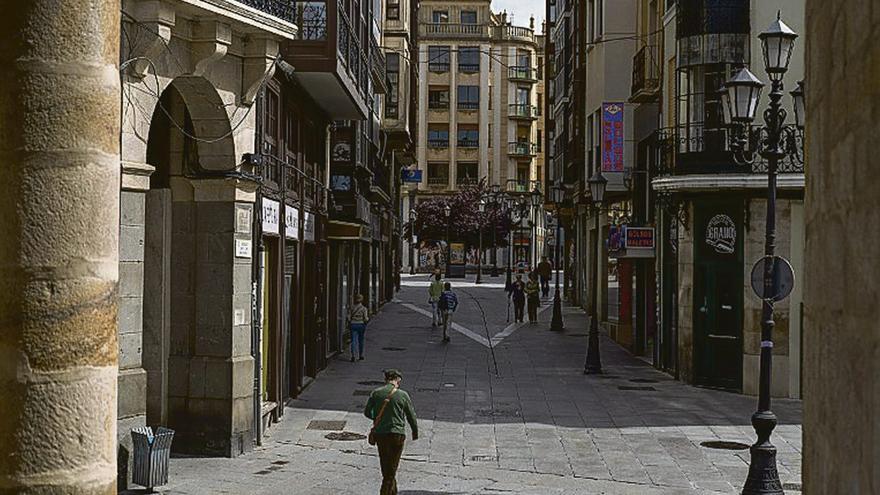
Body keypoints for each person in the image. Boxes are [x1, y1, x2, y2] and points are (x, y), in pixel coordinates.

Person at [364, 369, 418, 495]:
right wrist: (414, 431)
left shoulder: (376, 393)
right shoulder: (403, 395)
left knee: (385, 464)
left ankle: (392, 491)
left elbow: (367, 412)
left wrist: (377, 417)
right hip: (397, 434)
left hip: (381, 433)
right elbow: (411, 415)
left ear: (386, 379)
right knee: (392, 466)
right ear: (397, 379)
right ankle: (386, 492)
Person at [347, 294, 369, 362]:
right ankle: (360, 355)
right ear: (362, 300)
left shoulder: (352, 307)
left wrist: (351, 321)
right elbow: (365, 319)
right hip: (361, 324)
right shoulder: (364, 308)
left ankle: (353, 356)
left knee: (353, 341)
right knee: (361, 340)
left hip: (353, 324)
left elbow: (348, 317)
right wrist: (366, 320)